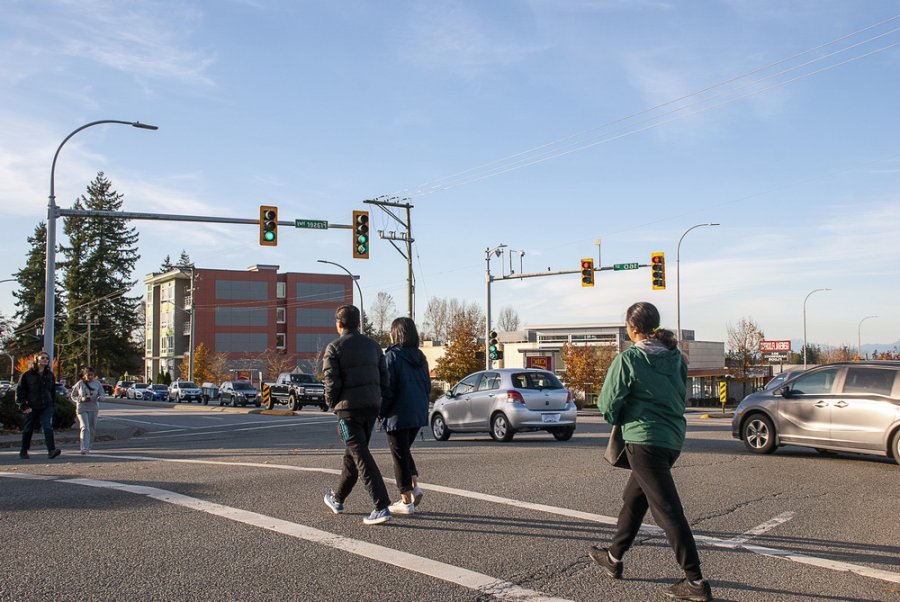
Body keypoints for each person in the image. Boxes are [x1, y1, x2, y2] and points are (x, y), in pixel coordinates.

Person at [591, 302, 712, 602]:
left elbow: (607, 405)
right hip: (671, 441)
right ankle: (614, 557)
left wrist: (621, 416)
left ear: (631, 329)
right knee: (634, 498)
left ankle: (695, 580)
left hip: (643, 442)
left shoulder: (630, 359)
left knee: (667, 510)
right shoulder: (676, 357)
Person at [322, 305, 393, 525]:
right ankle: (338, 498)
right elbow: (385, 379)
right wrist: (377, 399)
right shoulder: (373, 346)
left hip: (348, 410)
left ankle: (381, 505)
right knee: (353, 454)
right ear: (358, 323)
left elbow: (331, 382)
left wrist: (331, 404)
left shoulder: (334, 348)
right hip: (371, 406)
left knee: (360, 455)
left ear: (339, 323)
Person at [380, 317, 430, 515]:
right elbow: (427, 386)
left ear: (396, 333)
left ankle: (405, 499)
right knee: (404, 451)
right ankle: (415, 487)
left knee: (399, 455)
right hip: (417, 412)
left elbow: (387, 389)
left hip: (397, 413)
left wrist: (381, 412)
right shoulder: (420, 357)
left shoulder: (392, 357)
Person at [16, 351, 62, 460]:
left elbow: (52, 391)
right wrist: (23, 405)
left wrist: (52, 404)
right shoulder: (27, 375)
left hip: (47, 405)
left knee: (47, 426)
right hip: (32, 406)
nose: (45, 360)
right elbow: (20, 391)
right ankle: (24, 450)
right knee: (28, 428)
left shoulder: (49, 375)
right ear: (37, 360)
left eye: (47, 358)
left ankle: (51, 450)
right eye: (42, 358)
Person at [71, 366, 103, 454]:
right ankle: (83, 447)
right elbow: (73, 395)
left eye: (92, 375)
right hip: (82, 408)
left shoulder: (97, 384)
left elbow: (102, 394)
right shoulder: (80, 383)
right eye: (88, 375)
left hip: (93, 408)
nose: (90, 377)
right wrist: (81, 399)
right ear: (84, 375)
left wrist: (100, 398)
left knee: (91, 428)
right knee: (85, 427)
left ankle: (89, 446)